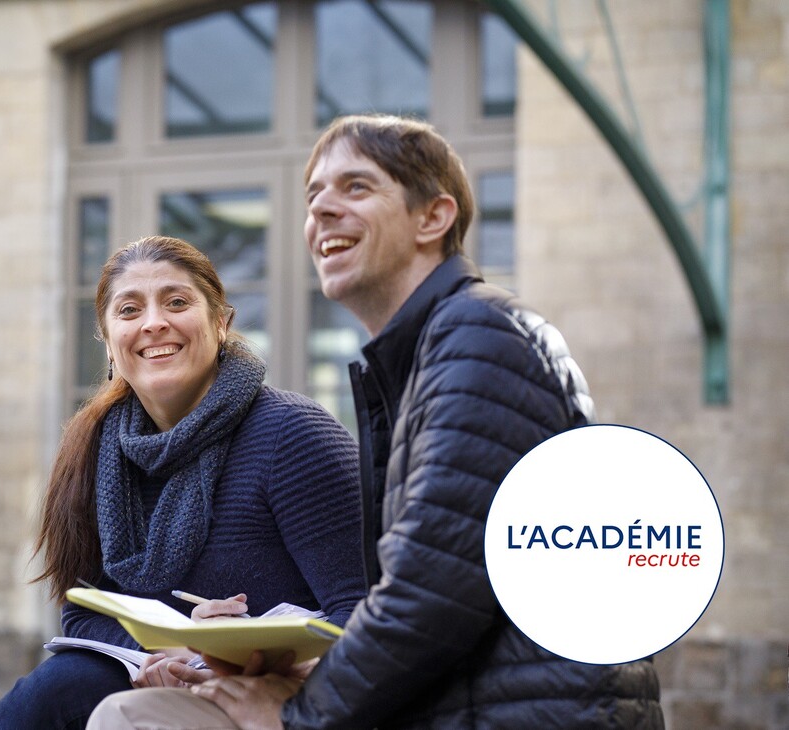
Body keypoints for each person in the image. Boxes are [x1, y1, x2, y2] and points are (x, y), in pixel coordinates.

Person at [87, 115, 665, 728]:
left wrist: (297, 713)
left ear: (433, 218)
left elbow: (431, 597)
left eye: (356, 188)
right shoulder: (430, 353)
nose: (323, 212)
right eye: (314, 198)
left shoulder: (477, 337)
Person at [0, 235, 368, 728]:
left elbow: (364, 611)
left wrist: (232, 647)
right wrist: (170, 649)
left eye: (177, 302)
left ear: (221, 324)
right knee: (62, 685)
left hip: (283, 698)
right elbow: (84, 612)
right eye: (129, 310)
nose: (153, 322)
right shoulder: (97, 452)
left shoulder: (294, 435)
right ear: (109, 340)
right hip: (164, 679)